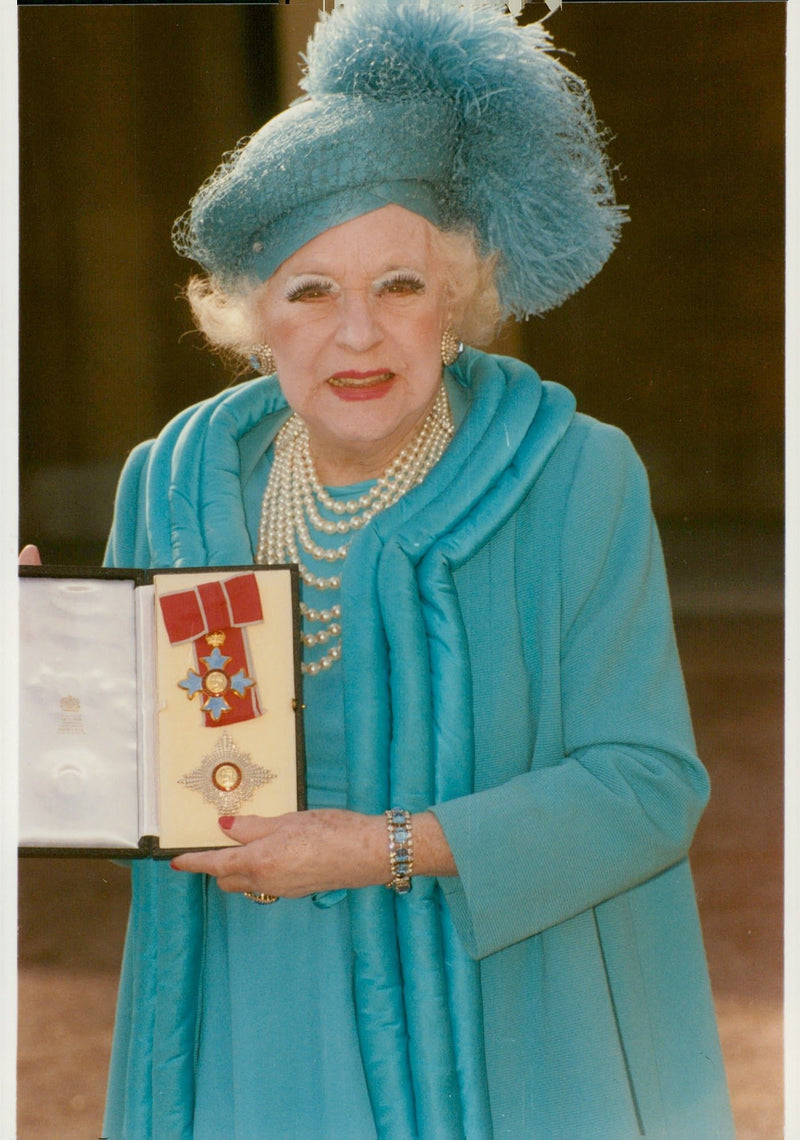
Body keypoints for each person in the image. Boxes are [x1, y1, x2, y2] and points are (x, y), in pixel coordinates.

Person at [101, 1, 734, 1136]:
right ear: (252, 320)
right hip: (255, 1028)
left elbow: (647, 790)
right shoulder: (175, 487)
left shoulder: (569, 479)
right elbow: (130, 778)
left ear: (456, 304)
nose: (358, 335)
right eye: (310, 292)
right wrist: (42, 672)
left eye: (396, 285)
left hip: (508, 1029)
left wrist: (382, 847)